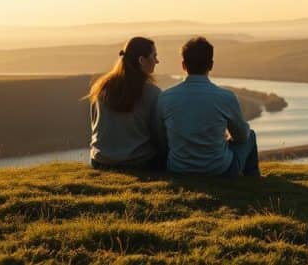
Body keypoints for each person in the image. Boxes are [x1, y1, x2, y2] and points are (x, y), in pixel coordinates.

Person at [156, 36, 260, 177]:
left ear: (183, 65)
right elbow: (241, 136)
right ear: (211, 65)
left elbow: (161, 138)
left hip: (178, 168)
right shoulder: (226, 97)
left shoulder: (166, 97)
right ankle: (253, 180)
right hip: (219, 170)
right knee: (250, 135)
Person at [87, 36, 163, 169]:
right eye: (154, 56)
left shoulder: (100, 88)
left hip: (100, 161)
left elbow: (94, 124)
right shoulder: (152, 93)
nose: (157, 61)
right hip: (138, 161)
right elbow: (159, 135)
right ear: (141, 60)